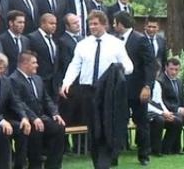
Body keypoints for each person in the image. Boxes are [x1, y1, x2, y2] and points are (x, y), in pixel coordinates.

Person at [60, 10, 133, 169]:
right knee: (93, 129)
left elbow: (129, 66)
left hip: (107, 92)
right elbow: (75, 65)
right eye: (90, 24)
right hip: (87, 91)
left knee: (106, 127)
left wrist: (117, 69)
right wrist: (67, 82)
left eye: (95, 24)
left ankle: (105, 162)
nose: (92, 27)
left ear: (104, 24)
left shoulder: (116, 44)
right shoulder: (83, 45)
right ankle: (97, 163)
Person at [10, 51, 65, 169]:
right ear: (24, 64)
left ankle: (53, 165)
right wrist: (33, 118)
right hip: (23, 119)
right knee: (36, 130)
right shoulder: (13, 80)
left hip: (40, 117)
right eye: (34, 63)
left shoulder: (37, 79)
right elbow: (18, 103)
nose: (37, 65)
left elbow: (46, 99)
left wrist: (55, 113)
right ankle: (35, 165)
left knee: (59, 127)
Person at [113, 11, 156, 165]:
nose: (113, 25)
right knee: (118, 122)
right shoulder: (113, 40)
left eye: (114, 23)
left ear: (120, 23)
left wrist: (147, 86)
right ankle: (114, 155)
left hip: (138, 90)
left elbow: (150, 65)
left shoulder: (140, 40)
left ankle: (144, 155)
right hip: (119, 90)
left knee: (142, 122)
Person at [57, 14, 85, 153]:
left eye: (78, 22)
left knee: (81, 116)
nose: (78, 25)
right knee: (67, 116)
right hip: (69, 86)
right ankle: (65, 147)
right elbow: (64, 64)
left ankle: (81, 147)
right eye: (74, 23)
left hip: (82, 86)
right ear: (67, 26)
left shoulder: (82, 39)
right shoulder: (62, 41)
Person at [148, 60, 182, 156]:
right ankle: (155, 150)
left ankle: (166, 148)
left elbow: (160, 101)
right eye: (171, 69)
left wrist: (167, 113)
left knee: (177, 120)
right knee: (159, 120)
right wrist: (162, 113)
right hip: (146, 112)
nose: (174, 72)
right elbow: (146, 104)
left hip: (159, 111)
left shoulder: (157, 84)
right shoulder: (143, 84)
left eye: (157, 71)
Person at [27, 13, 59, 98]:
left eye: (55, 24)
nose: (54, 26)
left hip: (53, 81)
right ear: (42, 23)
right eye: (51, 23)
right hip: (40, 78)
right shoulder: (32, 38)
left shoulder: (54, 39)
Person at [157, 57, 184, 153]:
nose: (174, 72)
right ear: (166, 67)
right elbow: (161, 101)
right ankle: (166, 148)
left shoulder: (179, 82)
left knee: (180, 117)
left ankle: (177, 148)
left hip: (177, 111)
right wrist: (177, 109)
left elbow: (180, 99)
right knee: (178, 119)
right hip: (163, 112)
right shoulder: (160, 81)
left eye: (176, 70)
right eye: (171, 69)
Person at [0, 10, 30, 75]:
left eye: (23, 22)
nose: (22, 25)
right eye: (19, 22)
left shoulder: (25, 40)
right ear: (11, 23)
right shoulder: (1, 39)